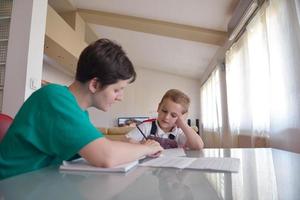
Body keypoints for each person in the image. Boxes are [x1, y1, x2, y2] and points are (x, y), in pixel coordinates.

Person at [0, 38, 163, 179]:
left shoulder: (78, 111)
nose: (120, 97)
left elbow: (94, 146)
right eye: (116, 90)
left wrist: (131, 145)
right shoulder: (54, 97)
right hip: (10, 187)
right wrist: (146, 148)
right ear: (95, 84)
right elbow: (106, 156)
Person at [126, 89, 204, 149]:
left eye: (173, 115)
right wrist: (142, 145)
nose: (166, 117)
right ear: (159, 107)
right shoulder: (146, 127)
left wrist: (183, 124)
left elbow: (198, 146)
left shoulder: (179, 132)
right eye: (164, 111)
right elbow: (125, 140)